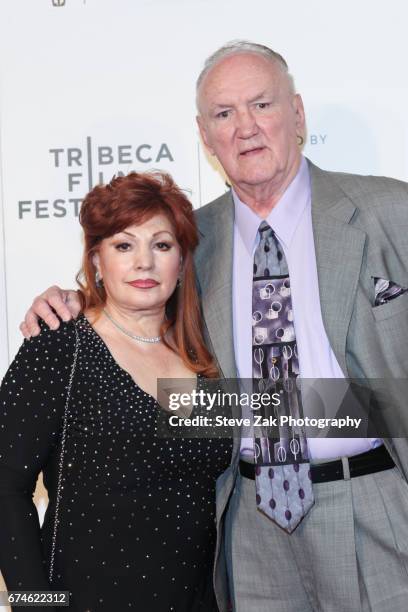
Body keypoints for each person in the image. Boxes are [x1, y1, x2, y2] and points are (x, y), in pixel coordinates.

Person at [19, 40, 408, 612]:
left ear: (297, 114)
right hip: (246, 529)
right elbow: (132, 302)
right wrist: (68, 300)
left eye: (262, 105)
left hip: (374, 503)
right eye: (224, 114)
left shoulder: (390, 211)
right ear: (205, 137)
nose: (245, 127)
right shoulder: (189, 243)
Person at [0, 171, 232, 611]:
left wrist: (385, 408)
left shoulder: (207, 354)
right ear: (97, 260)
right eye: (124, 245)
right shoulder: (59, 346)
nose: (144, 262)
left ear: (182, 263)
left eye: (161, 245)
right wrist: (35, 605)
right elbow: (5, 486)